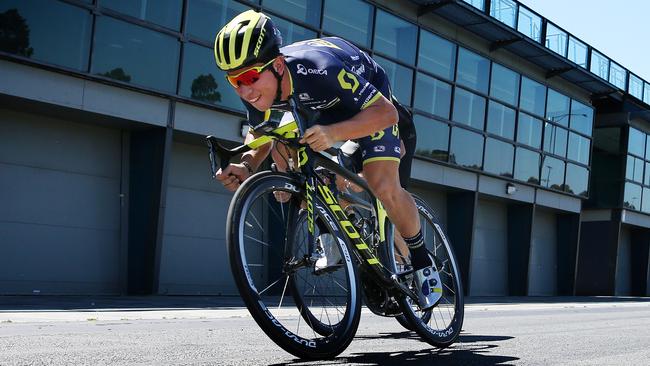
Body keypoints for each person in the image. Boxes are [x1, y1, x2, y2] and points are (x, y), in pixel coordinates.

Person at [213, 10, 439, 309]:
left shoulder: (318, 68)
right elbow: (260, 134)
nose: (244, 89)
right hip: (320, 110)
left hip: (370, 106)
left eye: (250, 77)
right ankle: (333, 231)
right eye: (234, 81)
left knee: (382, 185)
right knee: (292, 154)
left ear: (278, 65)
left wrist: (333, 134)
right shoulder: (258, 90)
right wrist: (246, 166)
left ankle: (422, 261)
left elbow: (387, 114)